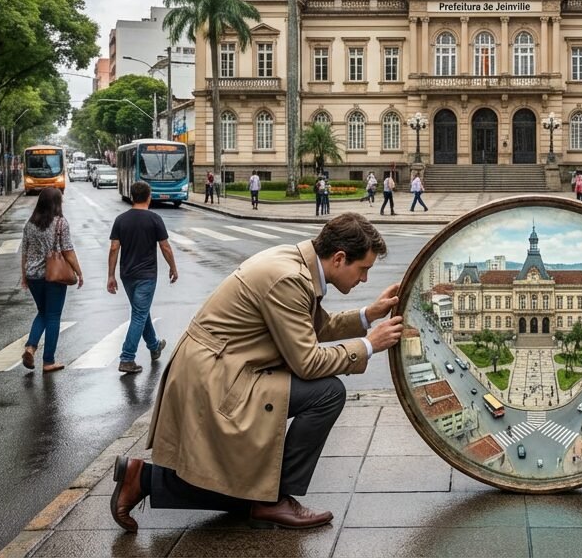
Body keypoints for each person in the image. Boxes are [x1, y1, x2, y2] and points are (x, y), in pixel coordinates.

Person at [109, 213, 404, 531]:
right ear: (339, 258)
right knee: (327, 393)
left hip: (224, 368)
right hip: (216, 379)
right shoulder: (289, 278)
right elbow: (307, 362)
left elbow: (315, 326)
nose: (364, 279)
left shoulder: (296, 263)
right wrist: (369, 345)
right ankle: (274, 500)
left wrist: (367, 315)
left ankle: (144, 479)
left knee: (248, 494)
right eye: (364, 269)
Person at [108, 181, 177, 374]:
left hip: (127, 275)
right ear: (149, 197)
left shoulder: (121, 219)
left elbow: (114, 248)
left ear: (131, 196)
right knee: (139, 313)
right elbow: (165, 247)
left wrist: (111, 276)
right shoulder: (154, 219)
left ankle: (154, 347)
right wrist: (173, 267)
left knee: (141, 311)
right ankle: (127, 357)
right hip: (146, 275)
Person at [19, 186, 82, 372]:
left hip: (33, 276)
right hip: (54, 276)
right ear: (56, 203)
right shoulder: (61, 223)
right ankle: (48, 361)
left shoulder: (30, 224)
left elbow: (24, 252)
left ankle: (31, 347)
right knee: (53, 316)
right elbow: (67, 251)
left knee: (43, 312)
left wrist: (24, 276)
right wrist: (79, 272)